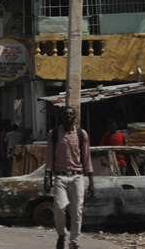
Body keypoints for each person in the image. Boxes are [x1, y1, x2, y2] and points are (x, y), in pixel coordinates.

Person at [44, 106, 94, 249]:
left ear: (75, 117)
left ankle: (74, 242)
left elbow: (86, 158)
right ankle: (61, 235)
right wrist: (47, 178)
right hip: (60, 176)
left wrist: (91, 181)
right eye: (65, 114)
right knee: (59, 208)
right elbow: (49, 157)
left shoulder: (81, 134)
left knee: (77, 210)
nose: (68, 116)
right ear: (62, 117)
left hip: (77, 177)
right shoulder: (53, 133)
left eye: (71, 114)